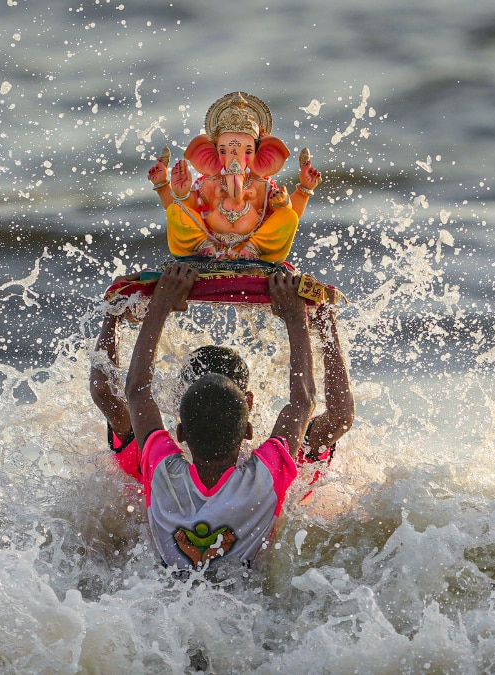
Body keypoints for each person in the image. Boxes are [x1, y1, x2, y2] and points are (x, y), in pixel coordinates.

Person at [125, 264, 313, 569]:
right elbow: (302, 401)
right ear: (249, 431)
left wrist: (160, 304)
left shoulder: (163, 473)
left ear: (180, 433)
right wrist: (294, 316)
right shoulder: (263, 479)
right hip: (244, 601)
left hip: (168, 600)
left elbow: (136, 393)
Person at [89, 281, 354, 488]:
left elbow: (107, 392)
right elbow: (339, 417)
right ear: (248, 406)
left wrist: (115, 313)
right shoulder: (275, 465)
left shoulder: (155, 461)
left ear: (180, 412)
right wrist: (322, 323)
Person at [147, 92, 323, 263]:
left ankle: (255, 247)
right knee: (175, 211)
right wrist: (172, 189)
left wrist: (301, 192)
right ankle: (202, 245)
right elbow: (187, 208)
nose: (234, 160)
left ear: (262, 155)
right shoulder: (210, 183)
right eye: (224, 151)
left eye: (247, 152)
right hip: (211, 243)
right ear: (211, 154)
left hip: (252, 246)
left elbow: (289, 215)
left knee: (288, 216)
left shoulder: (262, 185)